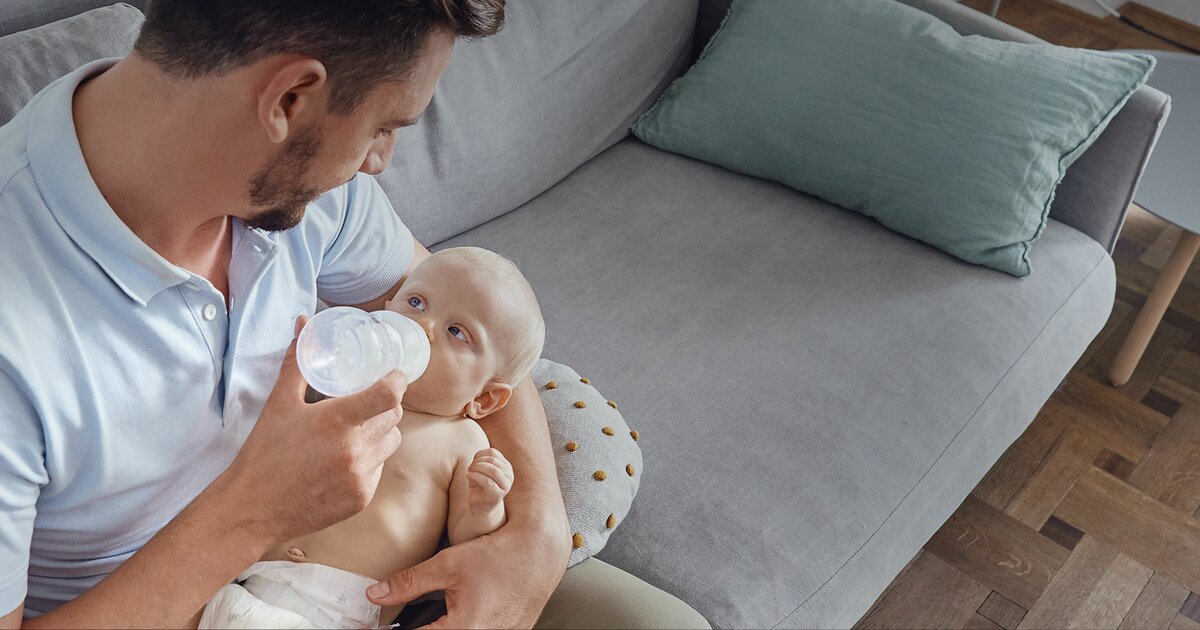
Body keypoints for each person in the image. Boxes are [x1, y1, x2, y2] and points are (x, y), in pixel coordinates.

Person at [0, 0, 710, 628]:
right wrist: (255, 512)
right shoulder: (15, 338)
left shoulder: (295, 192)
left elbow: (462, 320)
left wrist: (535, 536)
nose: (380, 161)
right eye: (384, 127)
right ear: (290, 99)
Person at [199, 247, 545, 629]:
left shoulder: (462, 441)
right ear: (384, 308)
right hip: (247, 580)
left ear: (483, 398)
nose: (424, 326)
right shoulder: (343, 385)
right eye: (416, 302)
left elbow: (472, 545)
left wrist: (485, 505)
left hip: (343, 611)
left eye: (456, 332)